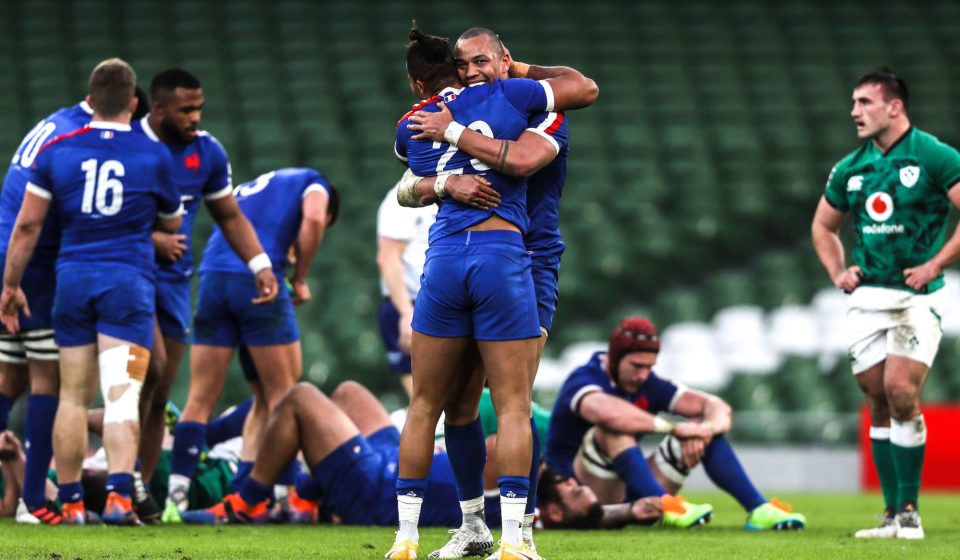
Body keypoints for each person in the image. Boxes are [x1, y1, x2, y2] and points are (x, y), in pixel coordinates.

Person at [388, 24, 597, 560]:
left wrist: (454, 132)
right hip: (486, 253)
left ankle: (520, 529)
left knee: (512, 397)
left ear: (506, 59)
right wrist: (444, 183)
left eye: (485, 62)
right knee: (459, 402)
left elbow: (523, 159)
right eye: (466, 66)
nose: (475, 72)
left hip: (531, 259)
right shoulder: (476, 106)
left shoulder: (536, 107)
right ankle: (474, 525)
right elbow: (408, 188)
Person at [0, 58, 184, 525]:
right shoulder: (154, 155)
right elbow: (171, 225)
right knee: (121, 395)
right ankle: (121, 496)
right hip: (126, 284)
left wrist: (10, 284)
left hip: (71, 283)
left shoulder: (59, 148)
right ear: (135, 103)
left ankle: (70, 501)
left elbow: (27, 225)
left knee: (71, 397)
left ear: (90, 97)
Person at [811, 68, 960, 540]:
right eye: (853, 103)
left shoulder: (933, 155)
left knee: (900, 390)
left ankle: (911, 513)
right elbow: (823, 227)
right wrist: (838, 271)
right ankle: (893, 515)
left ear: (894, 106)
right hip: (867, 298)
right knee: (876, 397)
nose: (854, 111)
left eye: (864, 102)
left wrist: (936, 263)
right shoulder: (850, 167)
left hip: (917, 296)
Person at [134, 69, 278, 515]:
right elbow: (91, 219)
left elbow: (230, 216)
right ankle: (108, 485)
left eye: (199, 108)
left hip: (176, 284)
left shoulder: (207, 151)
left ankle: (137, 490)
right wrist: (150, 239)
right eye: (185, 110)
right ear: (158, 109)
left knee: (158, 393)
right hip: (127, 277)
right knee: (145, 374)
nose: (195, 117)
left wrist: (260, 264)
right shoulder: (127, 146)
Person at [163, 167, 339, 522]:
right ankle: (279, 497)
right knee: (284, 397)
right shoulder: (314, 182)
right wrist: (300, 277)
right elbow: (316, 219)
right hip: (259, 281)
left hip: (212, 280)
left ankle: (177, 499)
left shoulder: (254, 187)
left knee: (204, 397)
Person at [545, 317, 806, 532]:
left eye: (649, 367)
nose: (643, 375)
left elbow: (716, 407)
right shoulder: (584, 378)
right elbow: (608, 412)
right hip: (576, 495)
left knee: (699, 427)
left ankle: (758, 509)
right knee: (614, 428)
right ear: (614, 358)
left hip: (627, 490)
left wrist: (705, 430)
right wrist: (674, 428)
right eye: (636, 366)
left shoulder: (648, 383)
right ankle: (667, 504)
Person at [376, 182, 437, 398]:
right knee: (424, 399)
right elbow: (388, 257)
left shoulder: (459, 189)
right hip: (413, 303)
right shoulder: (402, 197)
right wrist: (406, 313)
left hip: (451, 302)